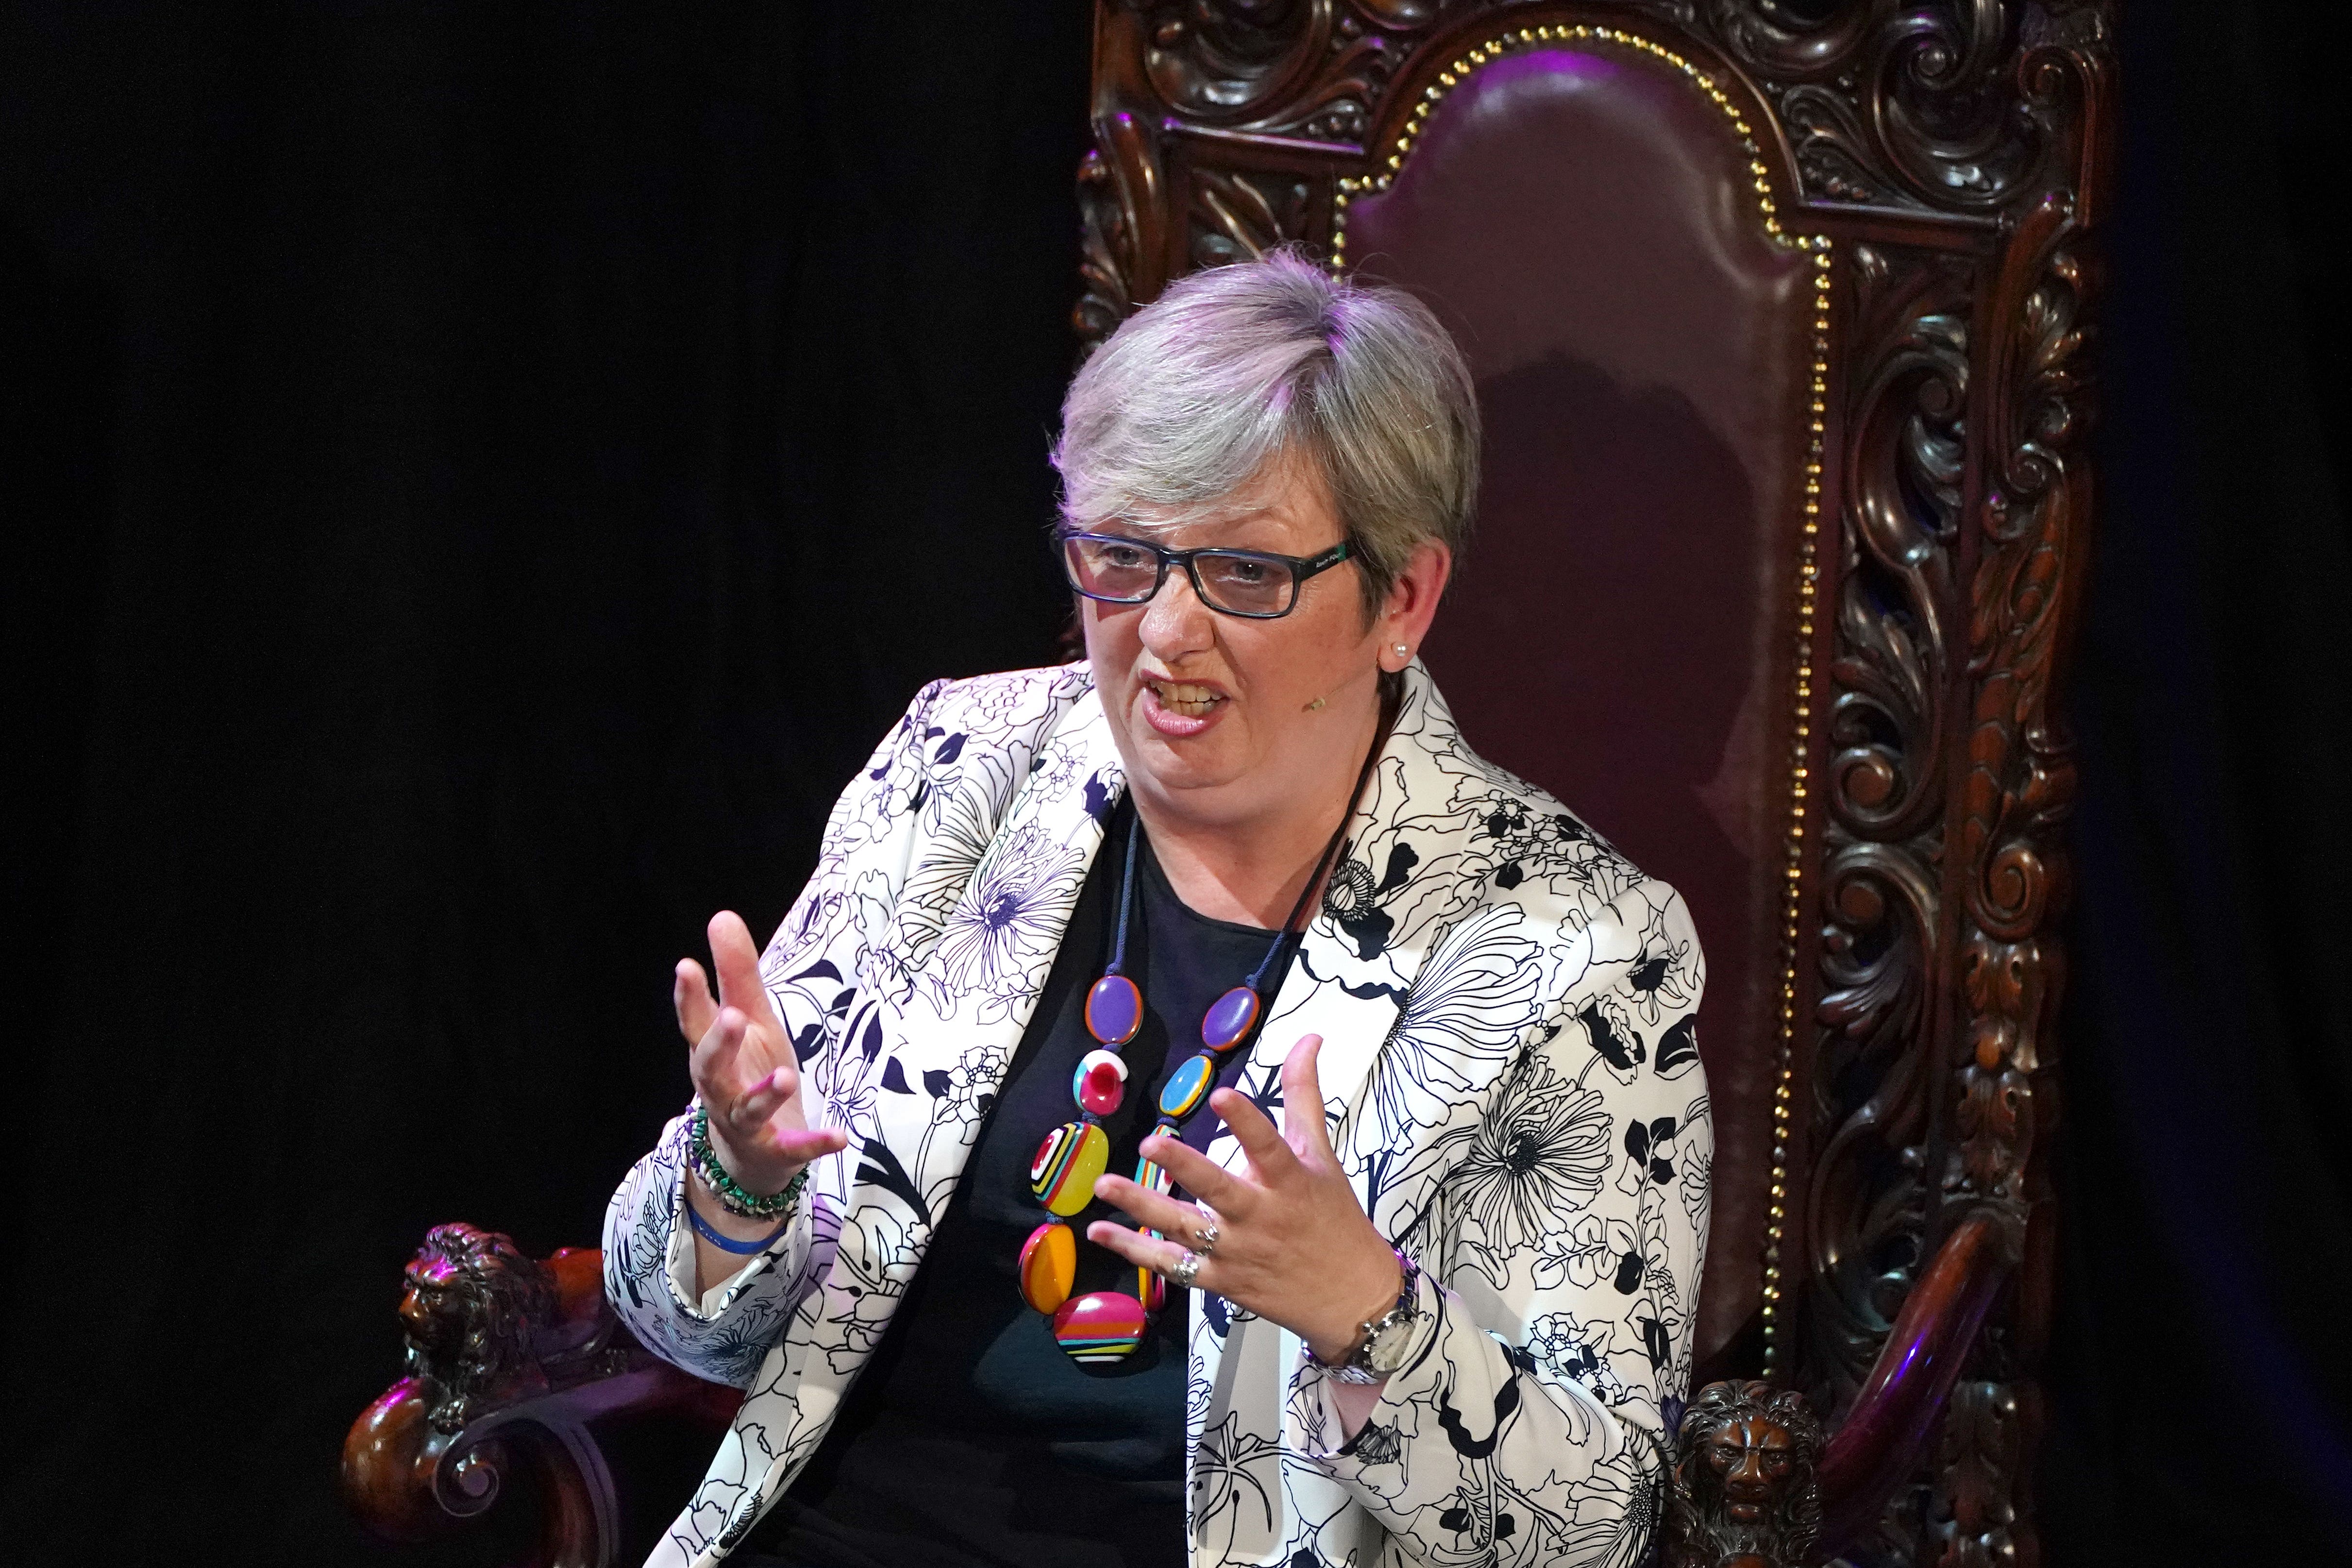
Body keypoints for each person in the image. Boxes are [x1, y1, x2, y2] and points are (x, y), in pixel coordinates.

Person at [603, 250, 1711, 1568]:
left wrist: (1367, 1314)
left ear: (1400, 599)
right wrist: (737, 1187)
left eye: (1242, 574)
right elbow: (683, 1326)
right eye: (1121, 558)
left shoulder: (1571, 946)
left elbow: (1593, 1528)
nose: (1163, 633)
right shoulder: (963, 765)